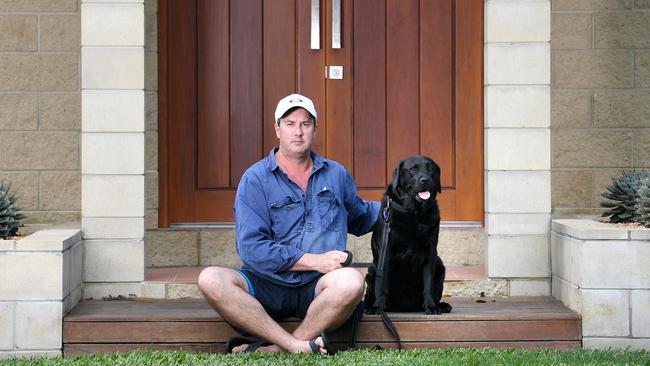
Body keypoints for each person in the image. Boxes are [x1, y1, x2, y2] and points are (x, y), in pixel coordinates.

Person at [197, 94, 379, 354]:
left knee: (351, 282)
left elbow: (362, 216)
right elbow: (251, 248)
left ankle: (276, 350)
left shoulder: (336, 174)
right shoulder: (255, 179)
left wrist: (399, 206)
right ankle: (295, 345)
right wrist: (314, 260)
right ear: (277, 129)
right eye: (290, 123)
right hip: (265, 283)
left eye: (305, 124)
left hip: (318, 286)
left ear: (314, 130)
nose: (298, 131)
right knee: (211, 279)